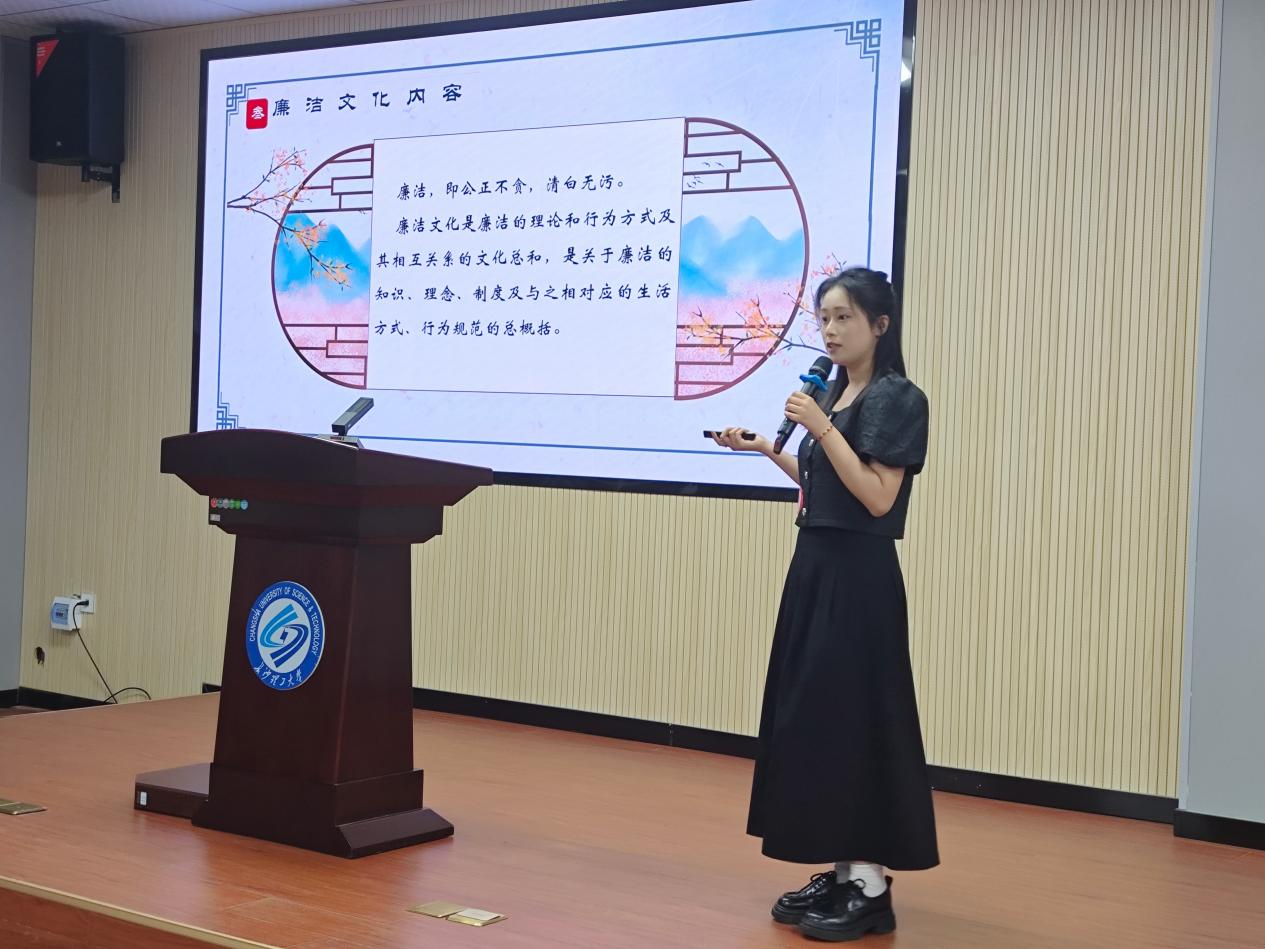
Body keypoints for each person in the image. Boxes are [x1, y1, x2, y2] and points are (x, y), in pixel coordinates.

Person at [710, 267, 938, 941]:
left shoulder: (897, 398)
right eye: (824, 318)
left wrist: (820, 426)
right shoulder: (835, 393)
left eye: (844, 317)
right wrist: (764, 449)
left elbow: (877, 497)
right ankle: (843, 870)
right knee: (817, 718)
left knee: (855, 719)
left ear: (880, 325)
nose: (830, 331)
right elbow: (826, 483)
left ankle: (870, 885)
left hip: (859, 579)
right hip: (814, 567)